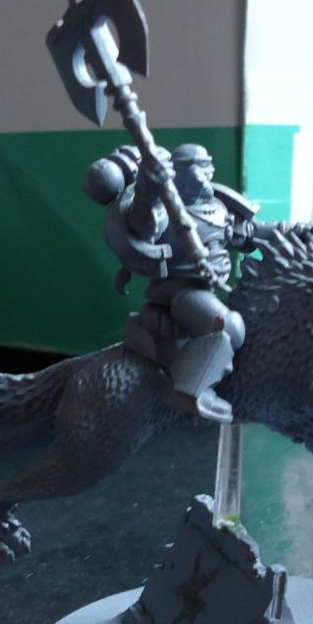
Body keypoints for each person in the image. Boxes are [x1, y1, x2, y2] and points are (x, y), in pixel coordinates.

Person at [88, 142, 260, 423]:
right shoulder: (164, 211)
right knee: (230, 326)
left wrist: (289, 232)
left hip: (207, 290)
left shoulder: (217, 207)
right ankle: (188, 390)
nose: (209, 172)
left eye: (209, 165)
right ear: (180, 173)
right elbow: (144, 226)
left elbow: (249, 234)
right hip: (177, 294)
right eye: (200, 167)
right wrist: (148, 188)